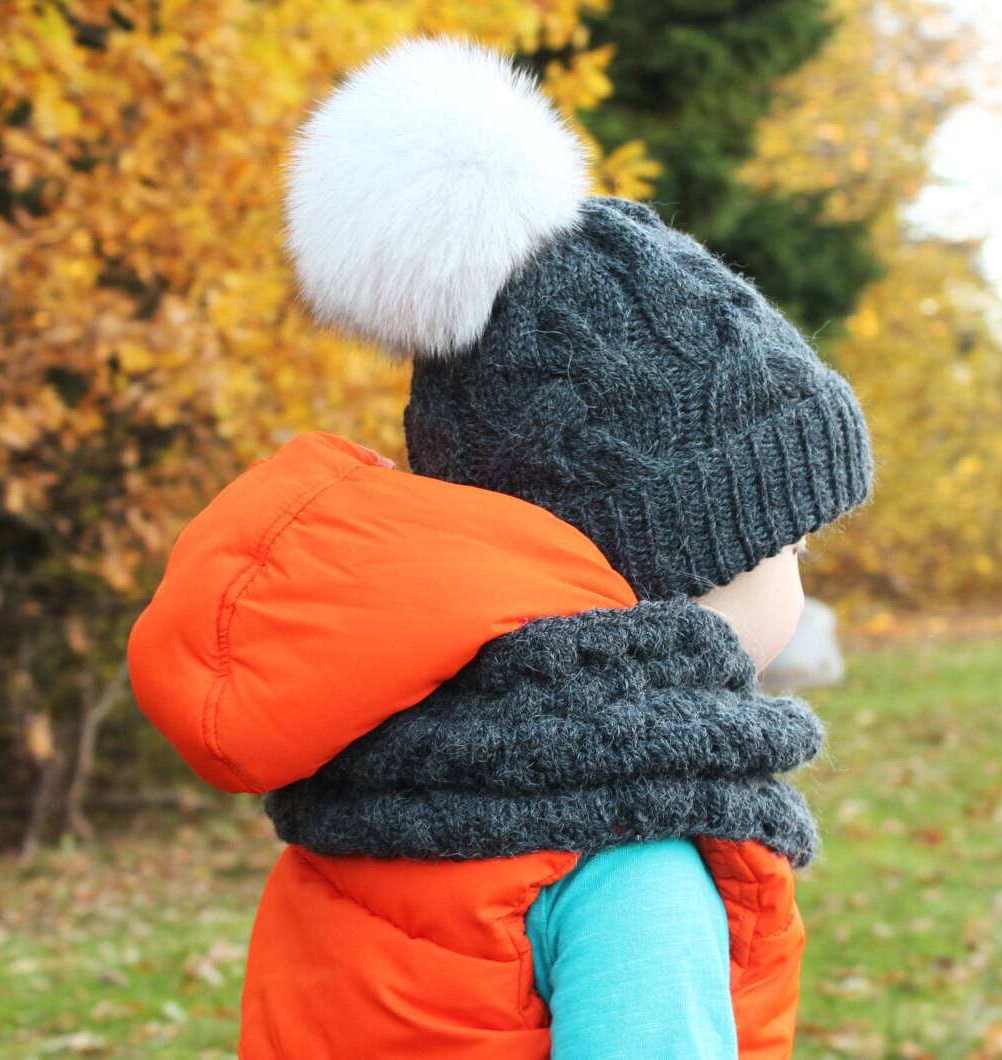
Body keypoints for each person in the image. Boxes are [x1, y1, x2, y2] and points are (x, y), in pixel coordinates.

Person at [127, 36, 874, 1060]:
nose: (799, 572)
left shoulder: (372, 777)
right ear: (667, 586)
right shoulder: (633, 855)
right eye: (788, 542)